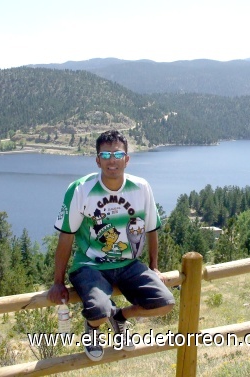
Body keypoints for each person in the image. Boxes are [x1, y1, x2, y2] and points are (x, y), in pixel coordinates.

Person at [47, 129, 175, 361]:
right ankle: (92, 329)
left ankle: (120, 317)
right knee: (98, 311)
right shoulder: (80, 189)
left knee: (164, 303)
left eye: (117, 154)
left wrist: (155, 267)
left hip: (129, 264)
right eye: (105, 156)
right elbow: (65, 238)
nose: (112, 161)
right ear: (97, 160)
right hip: (89, 265)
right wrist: (57, 282)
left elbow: (152, 228)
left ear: (127, 159)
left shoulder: (141, 187)